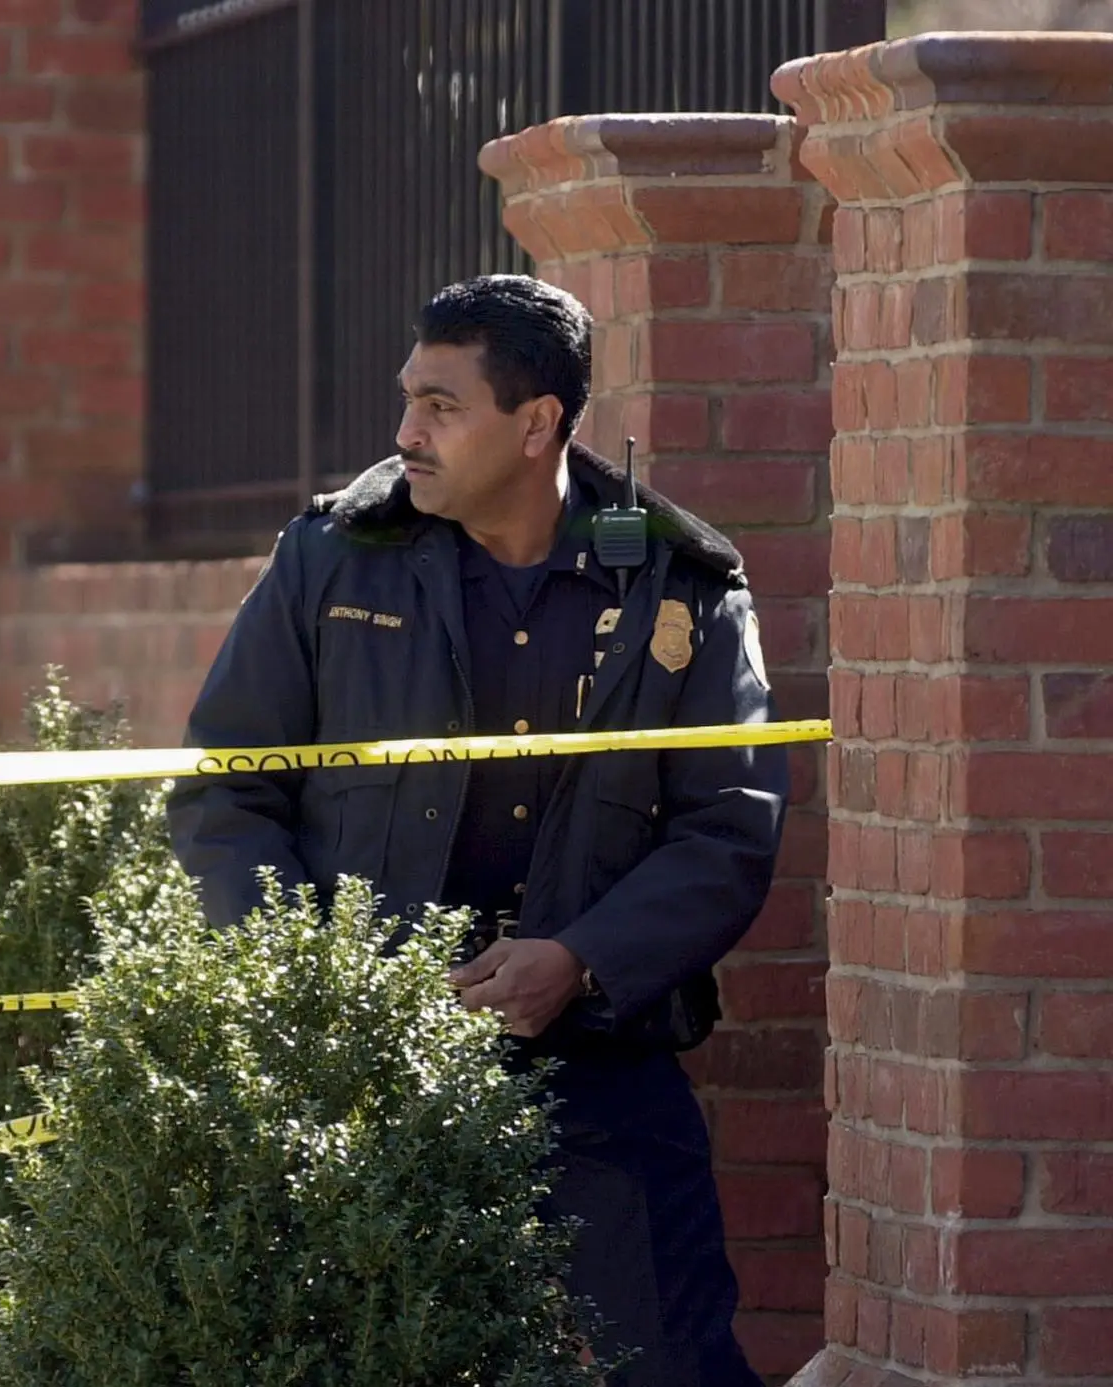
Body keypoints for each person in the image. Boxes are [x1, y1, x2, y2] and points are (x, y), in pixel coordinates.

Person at [165, 274, 788, 1387]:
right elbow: (228, 792)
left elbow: (727, 829)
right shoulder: (331, 556)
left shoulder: (681, 587)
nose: (408, 431)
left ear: (538, 421)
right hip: (360, 1061)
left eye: (442, 406)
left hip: (595, 1052)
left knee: (673, 1361)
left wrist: (580, 961)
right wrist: (317, 988)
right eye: (409, 398)